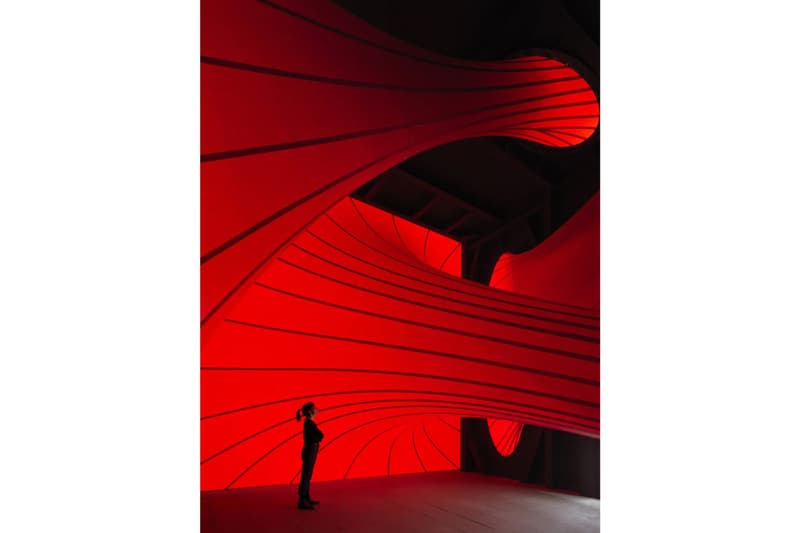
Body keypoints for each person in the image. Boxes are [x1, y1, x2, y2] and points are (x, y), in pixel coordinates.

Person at [296, 401, 323, 510]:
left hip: (311, 450)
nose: (317, 409)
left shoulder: (309, 423)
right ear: (310, 411)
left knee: (308, 474)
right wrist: (318, 438)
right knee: (306, 474)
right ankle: (302, 500)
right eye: (314, 408)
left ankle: (306, 497)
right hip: (310, 450)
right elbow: (319, 435)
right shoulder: (309, 423)